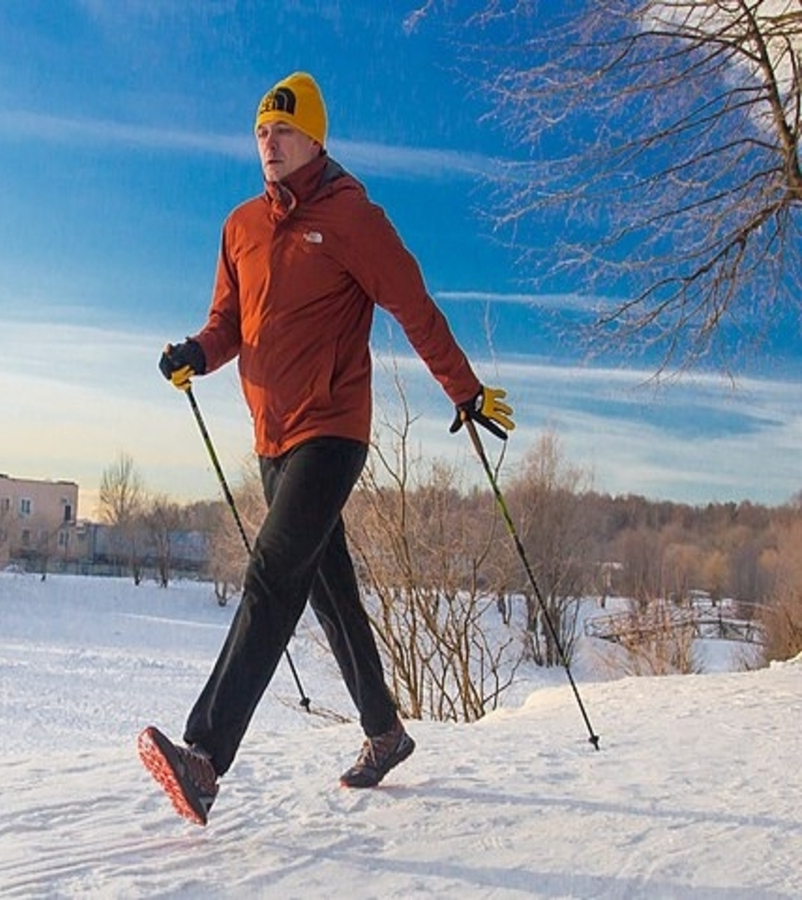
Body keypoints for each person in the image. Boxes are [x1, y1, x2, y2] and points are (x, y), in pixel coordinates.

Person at [138, 71, 514, 826]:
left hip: (333, 429)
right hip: (271, 437)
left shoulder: (351, 216)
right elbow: (228, 324)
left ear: (315, 138)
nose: (267, 144)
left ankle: (205, 758)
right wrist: (195, 354)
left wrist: (464, 390)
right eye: (259, 133)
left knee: (273, 574)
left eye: (281, 131)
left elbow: (411, 303)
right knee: (328, 589)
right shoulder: (240, 225)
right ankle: (385, 732)